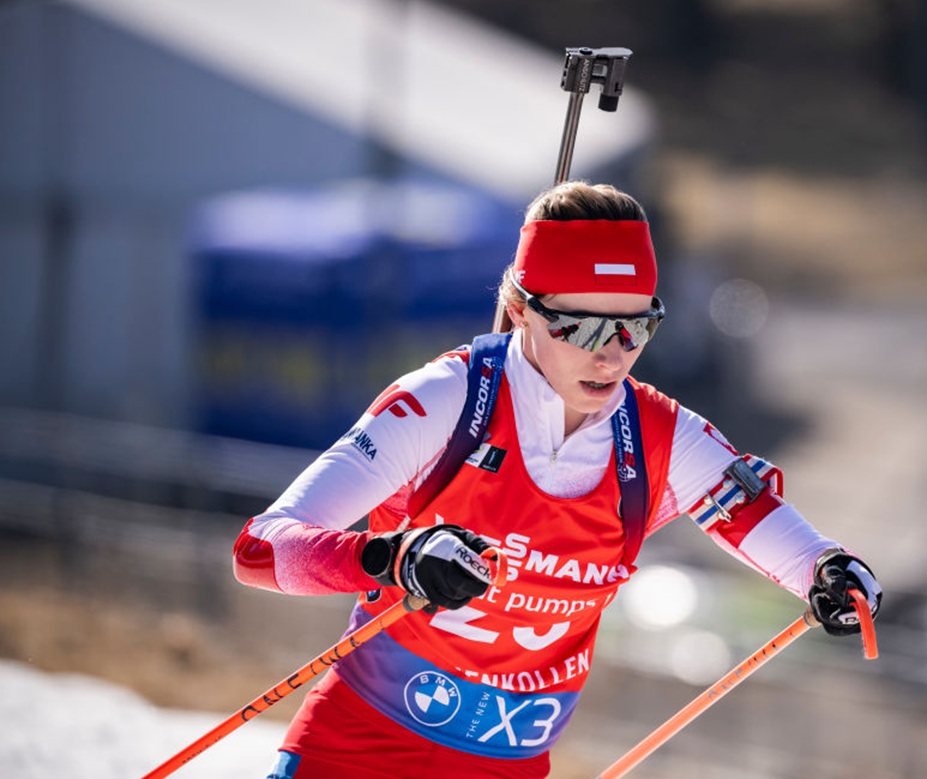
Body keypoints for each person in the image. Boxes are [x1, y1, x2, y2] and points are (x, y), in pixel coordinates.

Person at [234, 181, 882, 779]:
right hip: (364, 745)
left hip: (507, 764)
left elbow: (751, 512)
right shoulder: (448, 400)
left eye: (636, 326)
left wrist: (826, 568)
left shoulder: (657, 437)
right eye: (582, 325)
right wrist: (387, 558)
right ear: (519, 308)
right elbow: (259, 549)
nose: (610, 354)